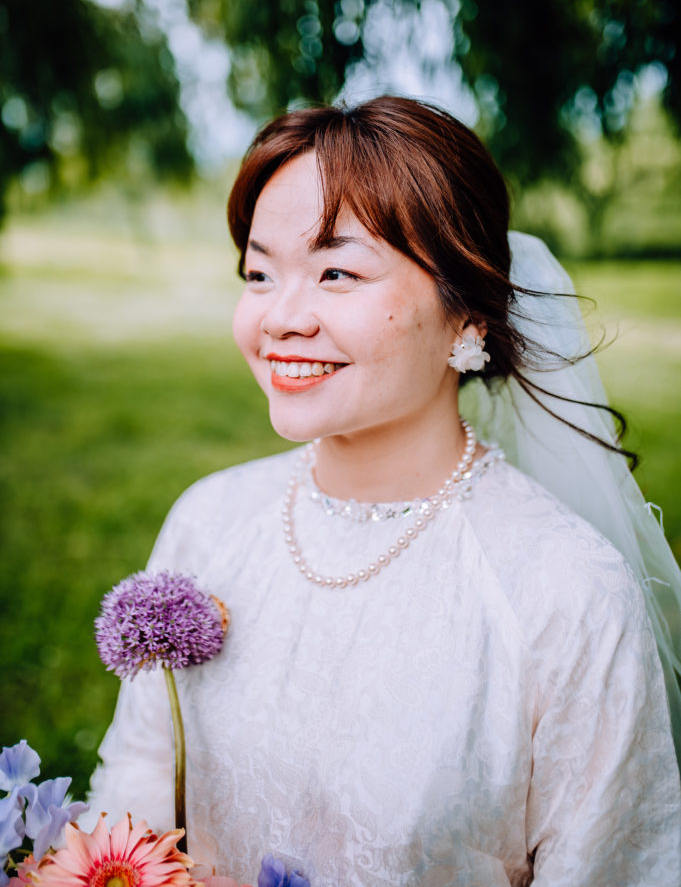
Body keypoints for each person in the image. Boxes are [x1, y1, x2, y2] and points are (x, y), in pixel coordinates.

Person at [88, 96, 681, 886]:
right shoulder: (209, 521)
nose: (279, 318)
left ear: (467, 317)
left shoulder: (565, 591)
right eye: (258, 273)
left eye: (336, 272)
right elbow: (131, 795)